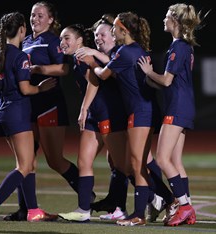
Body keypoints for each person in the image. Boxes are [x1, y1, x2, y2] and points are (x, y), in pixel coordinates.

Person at [3, 1, 95, 222]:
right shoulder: (24, 42)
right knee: (26, 161)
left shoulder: (54, 41)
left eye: (40, 15)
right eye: (33, 15)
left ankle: (87, 195)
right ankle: (25, 209)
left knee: (54, 159)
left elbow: (64, 68)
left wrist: (40, 69)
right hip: (28, 105)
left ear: (51, 19)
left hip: (49, 105)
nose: (35, 18)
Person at [0, 11, 57, 224]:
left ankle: (32, 210)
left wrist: (5, 83)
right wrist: (39, 88)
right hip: (17, 112)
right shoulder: (21, 56)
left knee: (27, 164)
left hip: (1, 113)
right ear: (22, 29)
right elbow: (26, 90)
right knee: (24, 166)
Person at [86, 11, 161, 226]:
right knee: (134, 165)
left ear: (123, 31)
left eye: (114, 28)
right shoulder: (133, 50)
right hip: (141, 111)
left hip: (140, 112)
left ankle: (140, 214)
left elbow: (103, 74)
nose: (111, 31)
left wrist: (92, 63)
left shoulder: (126, 52)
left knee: (137, 165)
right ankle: (143, 210)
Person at [138, 3, 207, 226]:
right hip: (183, 105)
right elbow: (169, 83)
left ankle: (184, 206)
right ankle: (188, 208)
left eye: (167, 16)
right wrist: (149, 78)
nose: (164, 19)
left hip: (177, 108)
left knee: (164, 159)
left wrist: (149, 72)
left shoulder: (179, 46)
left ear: (175, 21)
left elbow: (166, 80)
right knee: (176, 160)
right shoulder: (183, 46)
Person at [57, 22, 130, 222]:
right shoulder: (77, 57)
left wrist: (83, 108)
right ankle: (83, 210)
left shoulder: (82, 56)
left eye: (67, 38)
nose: (62, 42)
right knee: (84, 162)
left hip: (105, 113)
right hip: (94, 116)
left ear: (80, 40)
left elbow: (94, 81)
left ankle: (160, 196)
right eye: (61, 38)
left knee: (124, 166)